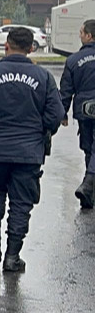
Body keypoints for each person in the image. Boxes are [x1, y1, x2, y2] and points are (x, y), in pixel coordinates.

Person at [0, 26, 63, 273]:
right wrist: (39, 132)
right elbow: (56, 114)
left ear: (6, 45)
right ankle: (12, 256)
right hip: (28, 151)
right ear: (31, 48)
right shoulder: (43, 77)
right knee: (21, 203)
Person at [61, 19, 95, 208]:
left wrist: (62, 113)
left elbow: (66, 91)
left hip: (85, 110)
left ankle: (89, 187)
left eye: (81, 32)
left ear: (89, 36)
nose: (79, 35)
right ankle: (89, 187)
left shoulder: (73, 61)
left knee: (89, 148)